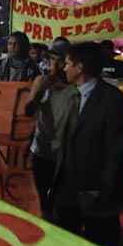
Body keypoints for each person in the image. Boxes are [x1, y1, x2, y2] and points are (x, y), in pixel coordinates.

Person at [52, 42, 123, 246]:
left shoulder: (114, 100)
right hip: (67, 193)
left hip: (98, 199)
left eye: (68, 63)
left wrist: (100, 194)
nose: (64, 68)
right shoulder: (69, 95)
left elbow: (115, 153)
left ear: (80, 67)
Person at [25, 40, 77, 220]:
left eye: (56, 59)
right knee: (40, 201)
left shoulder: (76, 89)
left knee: (58, 202)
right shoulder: (41, 81)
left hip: (63, 156)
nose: (51, 62)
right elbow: (28, 110)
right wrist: (42, 89)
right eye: (50, 58)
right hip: (41, 150)